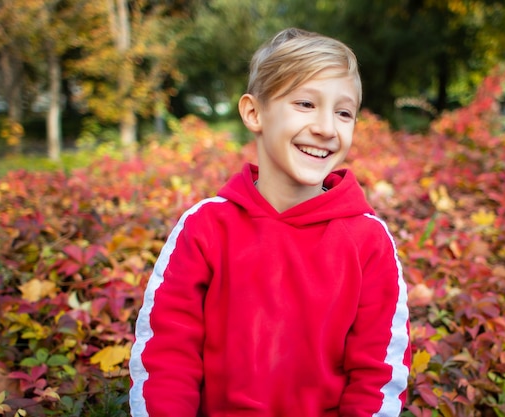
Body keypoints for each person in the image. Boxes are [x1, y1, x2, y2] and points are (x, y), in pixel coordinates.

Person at [129, 27, 411, 417]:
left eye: (343, 112)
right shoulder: (206, 226)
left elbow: (378, 374)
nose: (327, 128)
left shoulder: (368, 241)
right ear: (254, 112)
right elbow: (166, 353)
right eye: (306, 104)